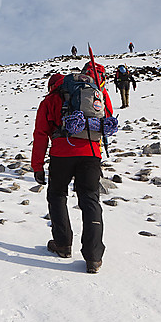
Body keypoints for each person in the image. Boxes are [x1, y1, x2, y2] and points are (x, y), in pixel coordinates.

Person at [31, 72, 113, 274]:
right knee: (90, 200)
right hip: (92, 152)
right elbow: (107, 116)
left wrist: (38, 166)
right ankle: (93, 257)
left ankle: (63, 244)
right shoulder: (93, 93)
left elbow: (41, 134)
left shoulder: (50, 100)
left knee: (57, 195)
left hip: (62, 153)